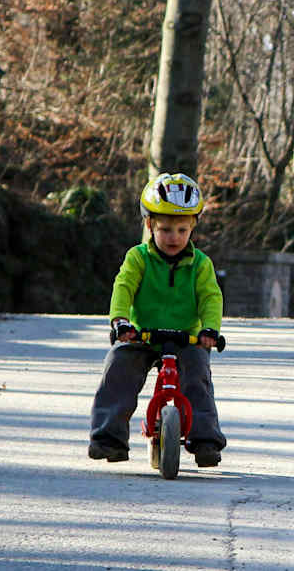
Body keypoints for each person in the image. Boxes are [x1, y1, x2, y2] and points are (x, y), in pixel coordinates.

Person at [88, 172, 227, 467]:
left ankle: (205, 440)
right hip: (142, 336)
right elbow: (123, 287)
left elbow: (210, 297)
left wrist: (210, 329)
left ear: (193, 227)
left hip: (186, 338)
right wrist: (120, 321)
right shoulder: (138, 258)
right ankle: (108, 438)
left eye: (181, 229)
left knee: (197, 374)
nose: (173, 237)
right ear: (149, 225)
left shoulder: (201, 264)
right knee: (118, 367)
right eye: (165, 229)